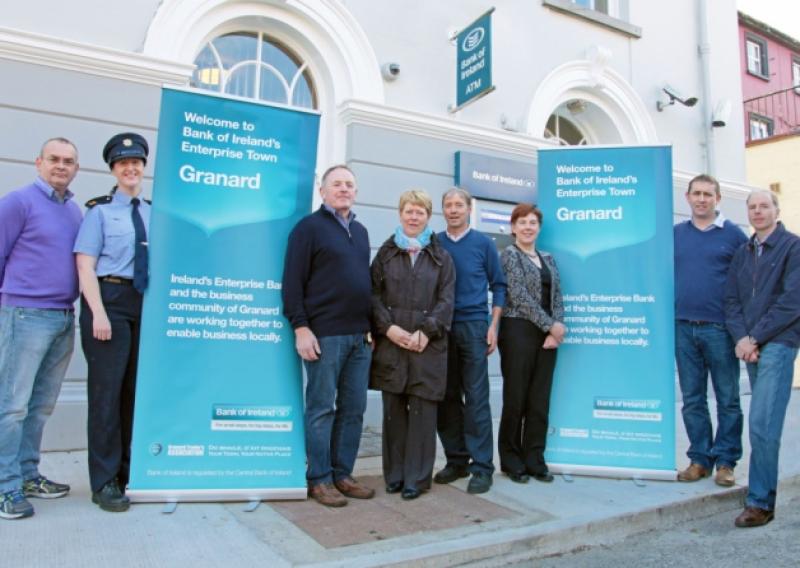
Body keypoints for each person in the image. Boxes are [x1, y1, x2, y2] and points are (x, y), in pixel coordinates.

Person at [282, 164, 374, 507]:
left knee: (354, 409)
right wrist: (301, 327)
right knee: (321, 408)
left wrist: (370, 327)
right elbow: (292, 283)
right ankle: (319, 479)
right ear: (322, 191)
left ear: (356, 191)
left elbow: (362, 283)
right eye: (337, 184)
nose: (344, 189)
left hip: (359, 337)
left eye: (349, 184)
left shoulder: (361, 232)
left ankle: (342, 474)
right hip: (324, 335)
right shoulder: (308, 228)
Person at [0, 138, 82, 520]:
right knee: (12, 405)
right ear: (39, 163)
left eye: (68, 161)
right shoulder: (18, 202)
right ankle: (5, 486)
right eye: (54, 159)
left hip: (63, 316)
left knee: (41, 405)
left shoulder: (74, 210)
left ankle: (28, 474)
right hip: (25, 314)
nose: (61, 166)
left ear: (75, 168)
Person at [74, 133, 151, 513]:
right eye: (123, 163)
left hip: (143, 303)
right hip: (108, 301)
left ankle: (126, 471)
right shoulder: (99, 212)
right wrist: (99, 313)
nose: (130, 168)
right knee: (106, 395)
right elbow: (85, 266)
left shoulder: (153, 212)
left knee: (133, 394)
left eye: (136, 162)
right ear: (113, 169)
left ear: (143, 167)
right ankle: (103, 481)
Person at [371, 190, 455, 500]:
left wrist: (427, 331)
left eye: (420, 212)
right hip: (392, 344)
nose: (414, 216)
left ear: (428, 217)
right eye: (409, 210)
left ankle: (416, 479)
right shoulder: (385, 253)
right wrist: (388, 329)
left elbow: (447, 300)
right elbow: (372, 296)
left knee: (422, 414)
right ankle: (394, 476)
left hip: (426, 346)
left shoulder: (441, 257)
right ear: (400, 213)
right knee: (393, 413)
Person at [725, 190, 800, 528]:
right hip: (750, 345)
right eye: (752, 207)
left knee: (762, 423)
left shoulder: (793, 247)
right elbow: (731, 301)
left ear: (776, 210)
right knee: (762, 422)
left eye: (764, 206)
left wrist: (754, 337)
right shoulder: (743, 252)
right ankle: (760, 494)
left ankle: (760, 503)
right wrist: (742, 338)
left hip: (779, 343)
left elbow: (792, 301)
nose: (757, 211)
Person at [674, 174, 747, 486]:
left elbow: (747, 281)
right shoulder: (676, 234)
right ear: (688, 197)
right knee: (692, 399)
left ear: (718, 199)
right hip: (682, 326)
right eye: (697, 194)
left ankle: (726, 462)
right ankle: (700, 459)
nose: (702, 199)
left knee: (728, 398)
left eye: (708, 194)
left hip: (720, 328)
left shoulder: (734, 235)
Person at [434, 187, 506, 494]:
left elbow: (499, 285)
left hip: (474, 327)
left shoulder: (483, 244)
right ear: (443, 210)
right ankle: (456, 460)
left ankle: (482, 467)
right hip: (440, 329)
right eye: (448, 205)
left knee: (476, 398)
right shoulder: (434, 242)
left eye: (458, 205)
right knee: (445, 397)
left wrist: (493, 326)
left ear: (468, 209)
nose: (453, 210)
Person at [497, 204, 565, 483]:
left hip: (546, 336)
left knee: (539, 401)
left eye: (532, 223)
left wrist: (555, 331)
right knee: (516, 399)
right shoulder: (509, 255)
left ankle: (535, 460)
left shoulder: (548, 258)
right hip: (518, 331)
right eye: (522, 222)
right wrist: (551, 325)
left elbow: (557, 296)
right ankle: (511, 461)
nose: (527, 227)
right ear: (513, 228)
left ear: (539, 228)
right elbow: (519, 296)